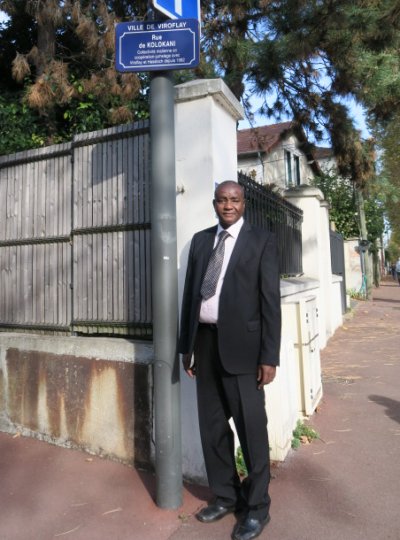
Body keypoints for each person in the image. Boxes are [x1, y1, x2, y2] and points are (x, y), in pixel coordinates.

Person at [178, 181, 281, 540]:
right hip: (205, 346)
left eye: (234, 200)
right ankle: (225, 496)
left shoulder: (261, 240)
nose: (228, 206)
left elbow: (270, 302)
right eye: (222, 200)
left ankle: (256, 508)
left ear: (244, 203)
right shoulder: (202, 240)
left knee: (252, 431)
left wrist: (269, 356)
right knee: (213, 428)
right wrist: (185, 346)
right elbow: (191, 295)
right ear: (214, 204)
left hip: (245, 352)